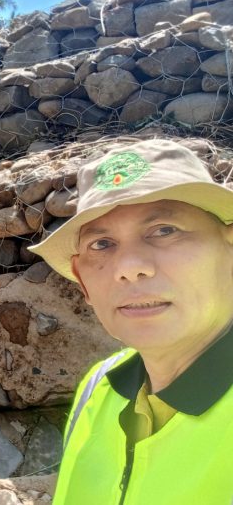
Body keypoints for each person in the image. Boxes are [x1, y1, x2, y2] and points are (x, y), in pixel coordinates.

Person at [28, 139, 233, 504]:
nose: (129, 267)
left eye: (165, 230)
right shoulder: (99, 389)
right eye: (102, 244)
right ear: (82, 281)